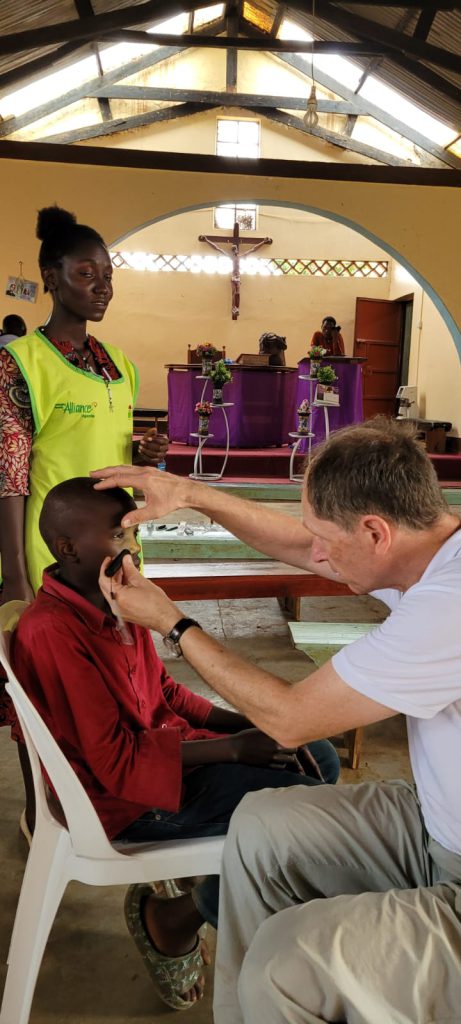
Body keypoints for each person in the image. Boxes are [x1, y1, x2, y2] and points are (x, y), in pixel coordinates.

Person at [92, 417, 461, 1024]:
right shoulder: (426, 549)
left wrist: (173, 624)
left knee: (291, 964)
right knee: (263, 824)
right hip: (436, 826)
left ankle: (274, 996)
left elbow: (290, 720)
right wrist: (188, 492)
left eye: (326, 539)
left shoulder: (446, 608)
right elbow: (294, 542)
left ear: (375, 531)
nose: (314, 554)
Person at [11, 476, 340, 1011]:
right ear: (68, 547)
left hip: (162, 760)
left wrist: (250, 724)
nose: (132, 549)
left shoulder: (118, 596)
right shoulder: (53, 632)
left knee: (316, 756)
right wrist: (235, 751)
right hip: (122, 801)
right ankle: (174, 917)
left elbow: (166, 694)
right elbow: (115, 761)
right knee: (305, 814)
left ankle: (222, 881)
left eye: (134, 536)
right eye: (120, 536)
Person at [0, 205, 168, 835]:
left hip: (119, 550)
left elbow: (117, 451)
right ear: (51, 276)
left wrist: (146, 454)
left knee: (127, 682)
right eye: (86, 272)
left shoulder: (119, 364)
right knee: (42, 696)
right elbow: (9, 475)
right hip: (53, 557)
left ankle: (125, 799)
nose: (102, 286)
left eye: (108, 275)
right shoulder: (20, 363)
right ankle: (40, 811)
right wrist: (18, 580)